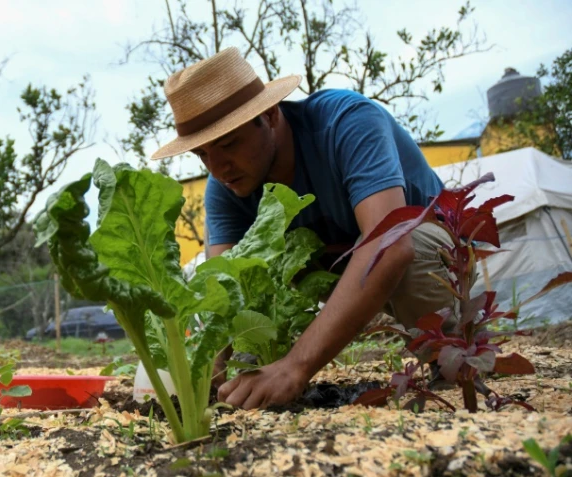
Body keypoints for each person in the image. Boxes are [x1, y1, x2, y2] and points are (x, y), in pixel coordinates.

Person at [151, 47, 459, 410]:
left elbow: (390, 247)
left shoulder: (347, 121)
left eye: (228, 143)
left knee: (407, 242)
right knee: (251, 278)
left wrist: (296, 367)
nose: (217, 168)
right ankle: (257, 382)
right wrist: (210, 370)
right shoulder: (225, 186)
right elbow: (224, 290)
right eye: (202, 154)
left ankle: (455, 362)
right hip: (343, 270)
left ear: (269, 115)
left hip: (436, 260)